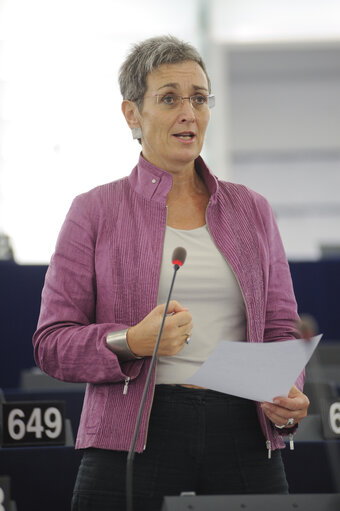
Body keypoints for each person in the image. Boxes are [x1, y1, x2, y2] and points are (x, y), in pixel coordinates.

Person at [33, 35, 310, 511]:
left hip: (243, 430)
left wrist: (288, 399)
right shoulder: (93, 211)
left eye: (199, 98)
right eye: (169, 98)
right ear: (132, 115)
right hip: (132, 432)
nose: (189, 112)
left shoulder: (253, 210)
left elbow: (282, 327)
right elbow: (52, 343)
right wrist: (130, 342)